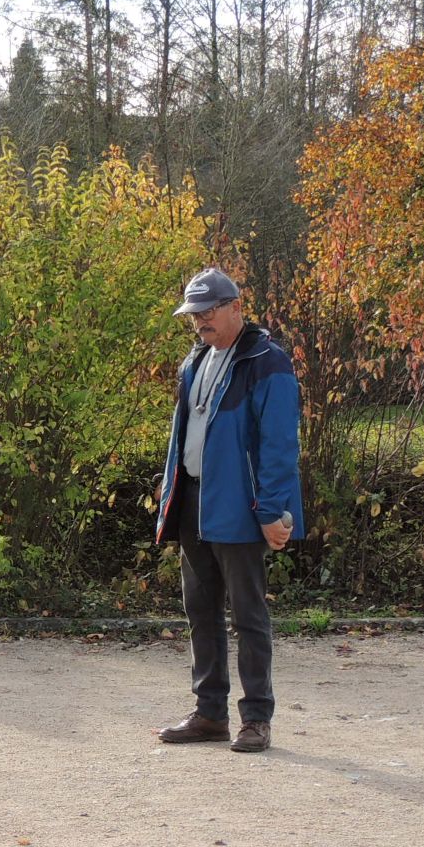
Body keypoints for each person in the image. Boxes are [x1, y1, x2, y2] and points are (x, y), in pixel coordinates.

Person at [152, 267, 303, 753]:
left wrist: (273, 511)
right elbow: (186, 434)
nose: (201, 321)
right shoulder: (194, 361)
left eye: (209, 310)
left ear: (237, 307)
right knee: (200, 609)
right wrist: (170, 487)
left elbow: (278, 445)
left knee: (249, 615)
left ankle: (256, 718)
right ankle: (209, 713)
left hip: (242, 504)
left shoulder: (267, 362)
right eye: (195, 313)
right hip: (193, 498)